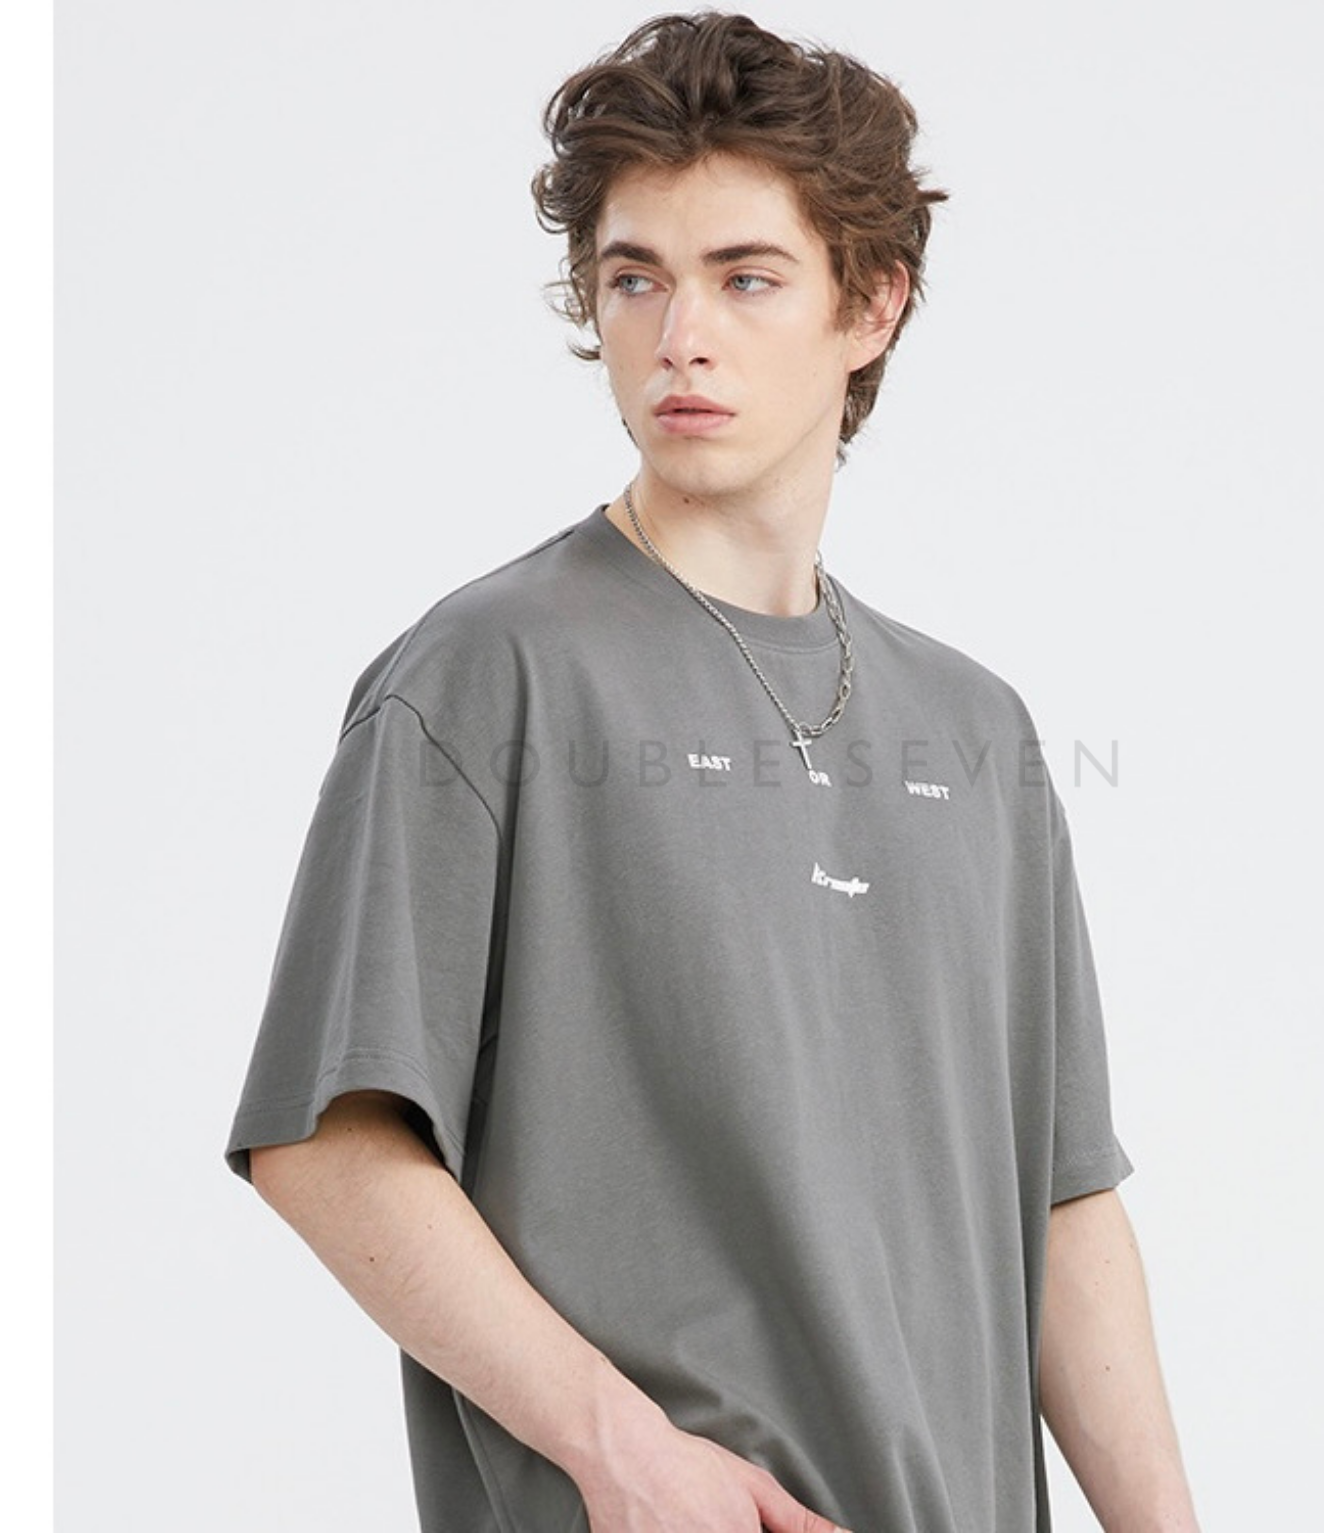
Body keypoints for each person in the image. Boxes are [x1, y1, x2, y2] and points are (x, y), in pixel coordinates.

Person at [225, 13, 1200, 1533]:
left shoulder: (978, 730)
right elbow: (327, 1136)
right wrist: (619, 1450)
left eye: (747, 278)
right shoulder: (488, 674)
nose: (681, 334)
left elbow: (1065, 1204)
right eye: (635, 279)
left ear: (870, 304)